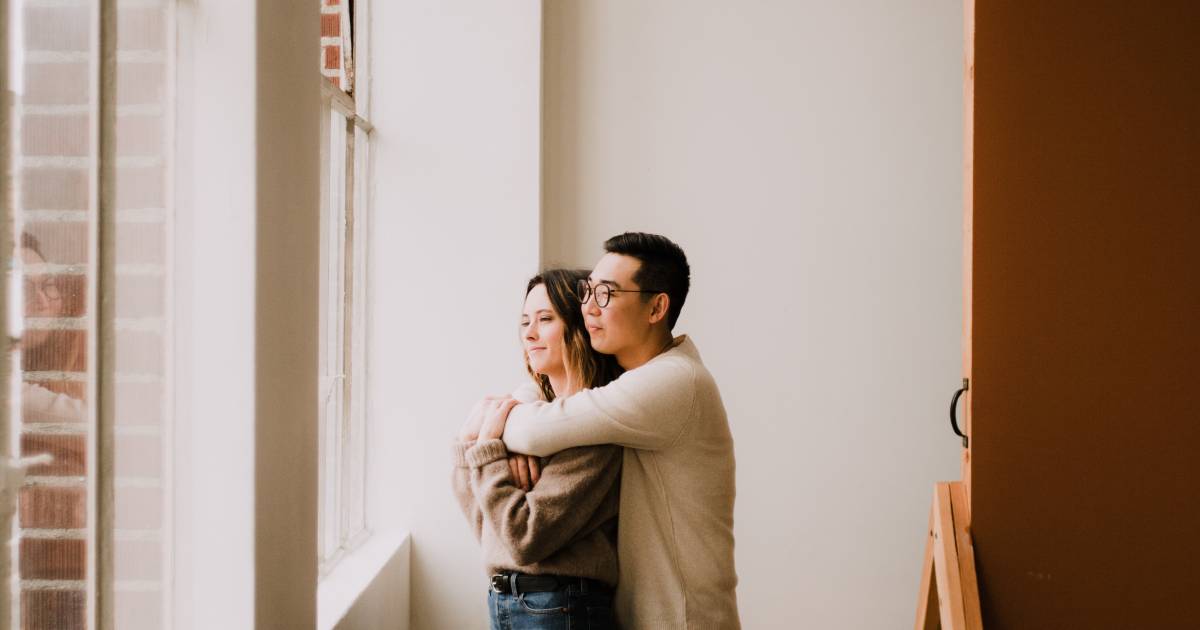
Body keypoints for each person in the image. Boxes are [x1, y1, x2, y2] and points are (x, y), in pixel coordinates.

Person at [488, 232, 740, 629]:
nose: (588, 307)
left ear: (656, 307)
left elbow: (534, 431)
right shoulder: (631, 382)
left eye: (606, 293)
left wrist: (489, 422)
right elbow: (546, 401)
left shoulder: (673, 381)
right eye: (588, 292)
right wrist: (520, 403)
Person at [452, 268, 625, 630]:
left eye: (545, 319)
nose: (529, 333)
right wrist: (472, 447)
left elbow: (523, 538)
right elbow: (489, 532)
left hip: (561, 607)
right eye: (525, 321)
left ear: (579, 328)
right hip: (506, 600)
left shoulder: (593, 427)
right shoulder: (529, 422)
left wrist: (487, 452)